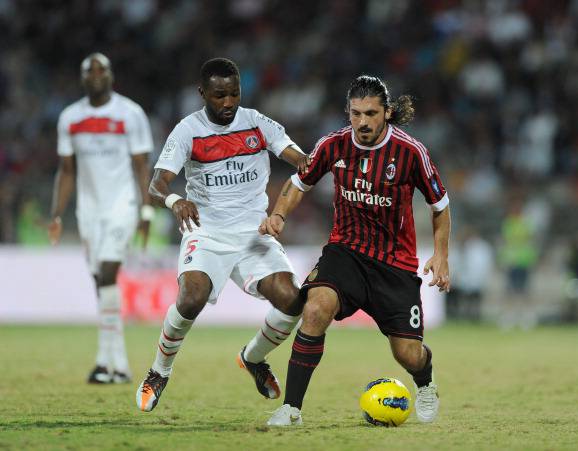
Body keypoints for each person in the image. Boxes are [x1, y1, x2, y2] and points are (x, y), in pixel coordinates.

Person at [260, 75, 451, 426]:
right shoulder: (332, 145)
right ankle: (291, 409)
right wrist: (279, 214)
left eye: (371, 114)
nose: (362, 122)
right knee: (315, 309)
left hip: (394, 264)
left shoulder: (410, 152)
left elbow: (440, 205)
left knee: (408, 354)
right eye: (355, 113)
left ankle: (425, 383)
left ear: (387, 112)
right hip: (345, 252)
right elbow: (299, 182)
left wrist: (441, 255)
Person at [136, 58, 309, 412]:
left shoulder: (257, 122)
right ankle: (159, 372)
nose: (228, 102)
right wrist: (175, 200)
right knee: (191, 299)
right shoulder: (188, 130)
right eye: (219, 95)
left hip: (253, 234)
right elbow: (156, 184)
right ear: (202, 93)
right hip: (207, 233)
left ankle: (252, 358)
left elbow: (299, 158)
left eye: (234, 93)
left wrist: (312, 162)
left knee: (293, 301)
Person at [48, 53, 154, 384]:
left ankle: (111, 363)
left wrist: (146, 209)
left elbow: (141, 165)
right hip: (89, 210)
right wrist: (56, 214)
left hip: (122, 204)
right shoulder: (70, 117)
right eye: (89, 70)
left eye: (101, 69)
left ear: (111, 75)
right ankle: (113, 363)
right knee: (100, 281)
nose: (96, 74)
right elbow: (66, 170)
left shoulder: (130, 113)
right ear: (82, 78)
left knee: (108, 273)